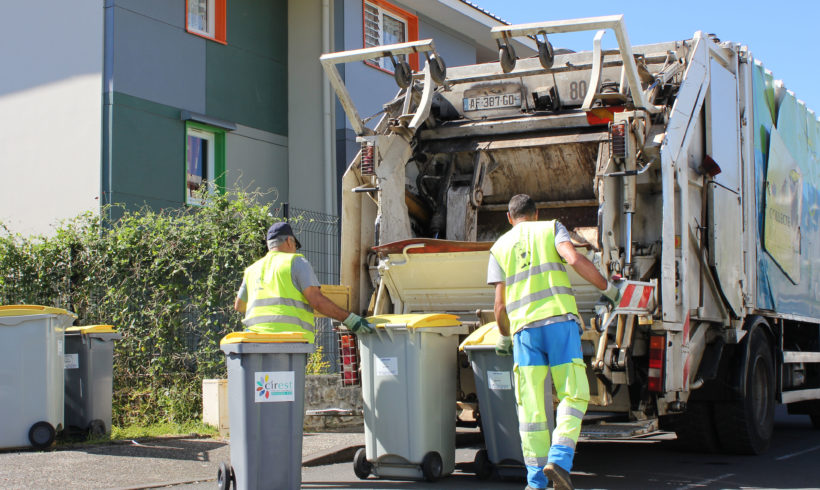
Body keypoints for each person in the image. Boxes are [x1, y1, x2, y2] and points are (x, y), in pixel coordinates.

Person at [487, 194, 620, 490]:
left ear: (509, 218)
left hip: (524, 334)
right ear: (536, 214)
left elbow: (499, 305)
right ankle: (559, 459)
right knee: (573, 394)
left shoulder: (499, 248)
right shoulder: (551, 228)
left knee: (531, 408)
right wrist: (609, 289)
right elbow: (573, 259)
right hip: (559, 323)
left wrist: (505, 335)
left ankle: (535, 482)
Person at [234, 222, 374, 340]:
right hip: (290, 340)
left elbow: (239, 306)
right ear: (289, 241)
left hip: (255, 340)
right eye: (295, 245)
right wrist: (351, 320)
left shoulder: (252, 270)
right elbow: (317, 302)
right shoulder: (295, 262)